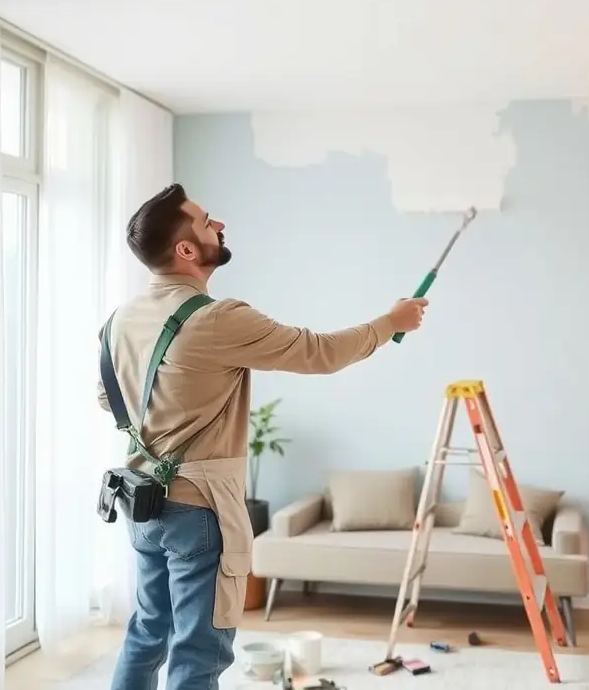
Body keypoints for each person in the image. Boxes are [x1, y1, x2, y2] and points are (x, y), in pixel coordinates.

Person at [96, 183, 427, 689]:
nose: (219, 225)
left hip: (141, 502)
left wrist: (169, 410)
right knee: (199, 650)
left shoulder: (119, 320)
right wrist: (390, 323)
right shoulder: (216, 319)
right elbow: (319, 353)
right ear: (186, 250)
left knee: (147, 632)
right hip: (199, 511)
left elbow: (108, 397)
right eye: (207, 221)